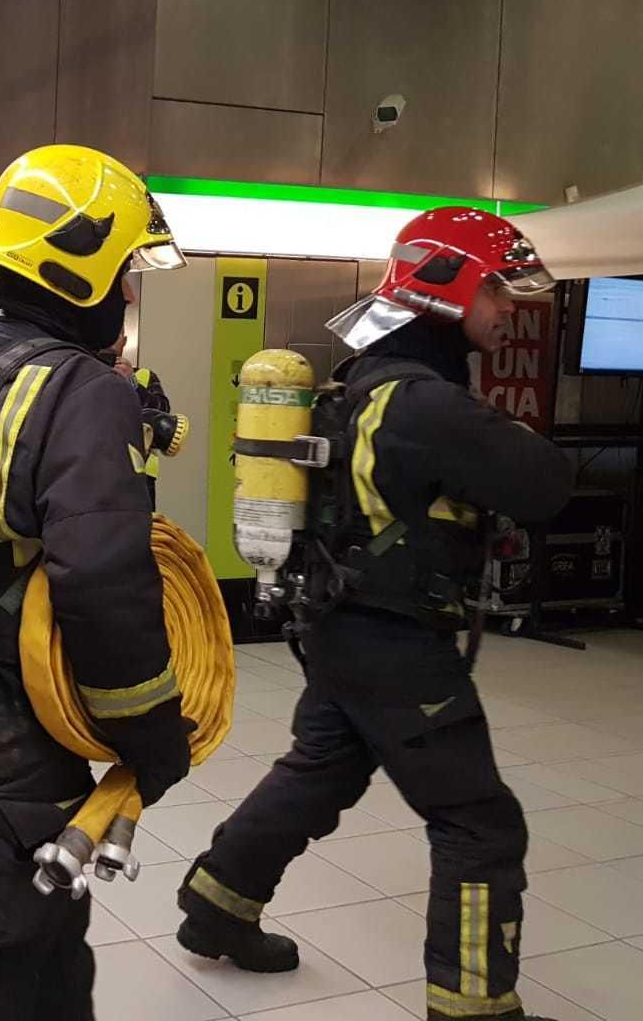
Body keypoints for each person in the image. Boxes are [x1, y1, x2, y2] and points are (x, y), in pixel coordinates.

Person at [175, 207, 574, 1021]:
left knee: (321, 770)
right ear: (452, 286)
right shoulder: (426, 404)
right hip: (392, 638)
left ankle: (218, 904)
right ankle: (475, 1006)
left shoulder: (361, 380)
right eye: (498, 290)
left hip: (340, 625)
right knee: (478, 822)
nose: (509, 310)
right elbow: (547, 487)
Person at [0, 144, 193, 1020]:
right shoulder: (82, 394)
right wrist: (151, 732)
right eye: (125, 273)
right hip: (16, 759)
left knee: (52, 967)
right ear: (82, 268)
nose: (129, 295)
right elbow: (102, 580)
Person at [101, 320, 170, 505]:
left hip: (140, 477)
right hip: (94, 473)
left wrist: (132, 384)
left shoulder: (144, 377)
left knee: (140, 531)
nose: (108, 342)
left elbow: (163, 415)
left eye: (114, 336)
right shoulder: (83, 373)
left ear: (124, 341)